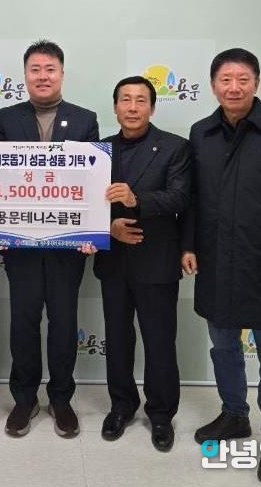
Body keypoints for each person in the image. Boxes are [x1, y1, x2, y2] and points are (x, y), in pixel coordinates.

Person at [181, 48, 261, 485]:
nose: (233, 87)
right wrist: (188, 244)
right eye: (225, 79)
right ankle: (235, 415)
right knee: (223, 347)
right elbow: (193, 198)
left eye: (242, 79)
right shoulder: (201, 133)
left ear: (256, 82)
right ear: (213, 84)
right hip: (216, 262)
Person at [0, 40, 99, 438]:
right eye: (35, 69)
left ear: (62, 74)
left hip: (67, 245)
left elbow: (92, 181)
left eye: (50, 69)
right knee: (23, 322)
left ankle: (60, 398)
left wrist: (92, 230)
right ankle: (24, 398)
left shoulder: (85, 120)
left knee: (63, 322)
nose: (42, 76)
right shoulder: (6, 119)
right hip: (20, 244)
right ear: (25, 75)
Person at [93, 76, 191, 451]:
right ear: (115, 106)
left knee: (159, 341)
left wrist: (137, 201)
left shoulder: (175, 148)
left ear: (152, 107)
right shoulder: (98, 151)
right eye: (125, 100)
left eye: (140, 100)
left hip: (157, 260)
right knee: (117, 339)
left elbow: (180, 197)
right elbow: (83, 203)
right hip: (114, 260)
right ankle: (121, 406)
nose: (132, 107)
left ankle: (161, 414)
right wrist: (108, 228)